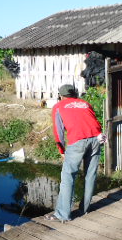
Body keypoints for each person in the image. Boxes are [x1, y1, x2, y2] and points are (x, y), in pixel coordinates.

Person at [45, 84, 106, 222]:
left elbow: (58, 132)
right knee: (90, 175)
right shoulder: (85, 103)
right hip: (97, 138)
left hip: (78, 141)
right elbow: (93, 121)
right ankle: (84, 209)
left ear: (60, 95)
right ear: (75, 94)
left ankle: (62, 214)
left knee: (68, 177)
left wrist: (62, 151)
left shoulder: (59, 107)